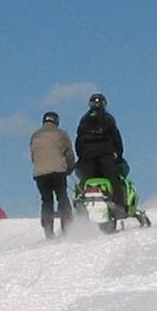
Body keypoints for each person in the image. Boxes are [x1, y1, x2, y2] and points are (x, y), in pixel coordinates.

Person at [75, 94, 127, 216]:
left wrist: (80, 156)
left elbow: (79, 140)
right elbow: (116, 137)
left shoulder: (84, 119)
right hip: (105, 155)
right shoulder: (108, 118)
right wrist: (119, 154)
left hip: (88, 156)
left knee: (85, 180)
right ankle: (119, 205)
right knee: (114, 179)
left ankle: (81, 203)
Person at [30, 111, 75, 239]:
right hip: (58, 172)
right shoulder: (61, 134)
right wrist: (69, 168)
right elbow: (69, 155)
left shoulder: (35, 135)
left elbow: (33, 156)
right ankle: (66, 227)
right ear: (56, 121)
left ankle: (48, 229)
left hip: (40, 174)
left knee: (46, 200)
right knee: (62, 197)